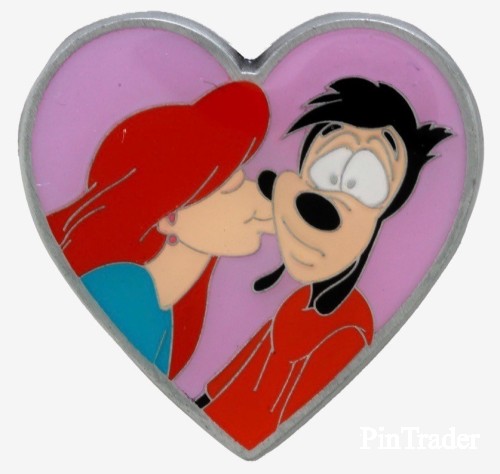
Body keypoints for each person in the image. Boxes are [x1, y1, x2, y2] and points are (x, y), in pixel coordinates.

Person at [197, 77, 452, 450]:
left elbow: (288, 411)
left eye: (363, 183)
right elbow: (227, 381)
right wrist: (205, 406)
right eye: (324, 174)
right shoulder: (295, 301)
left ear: (383, 214)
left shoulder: (349, 327)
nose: (318, 204)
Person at [47, 81, 274, 379]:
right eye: (232, 187)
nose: (259, 201)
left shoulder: (166, 310)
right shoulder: (124, 291)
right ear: (168, 216)